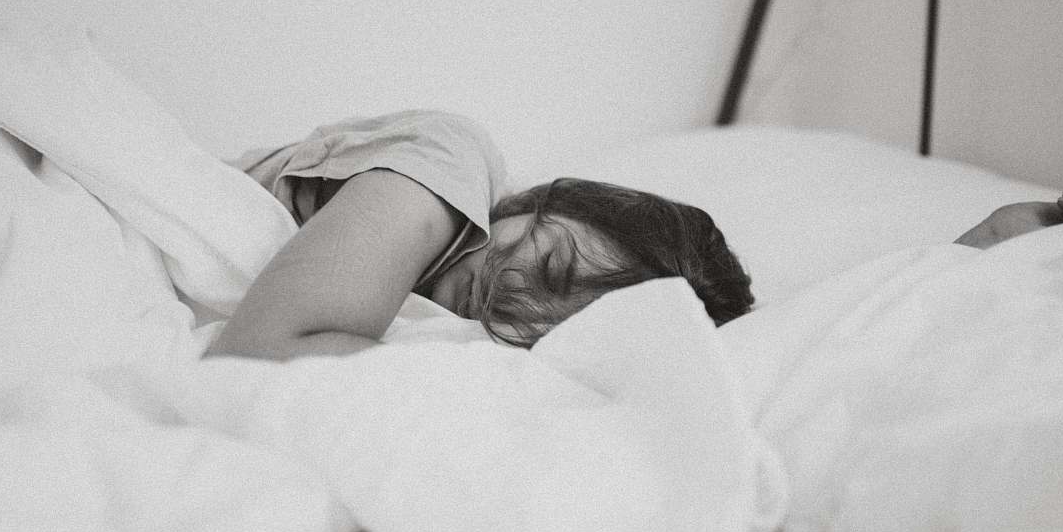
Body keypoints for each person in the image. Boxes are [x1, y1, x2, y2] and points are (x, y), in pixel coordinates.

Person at [205, 110, 755, 359]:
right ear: (543, 200)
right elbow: (256, 354)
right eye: (551, 270)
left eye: (551, 332)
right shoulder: (448, 162)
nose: (513, 306)